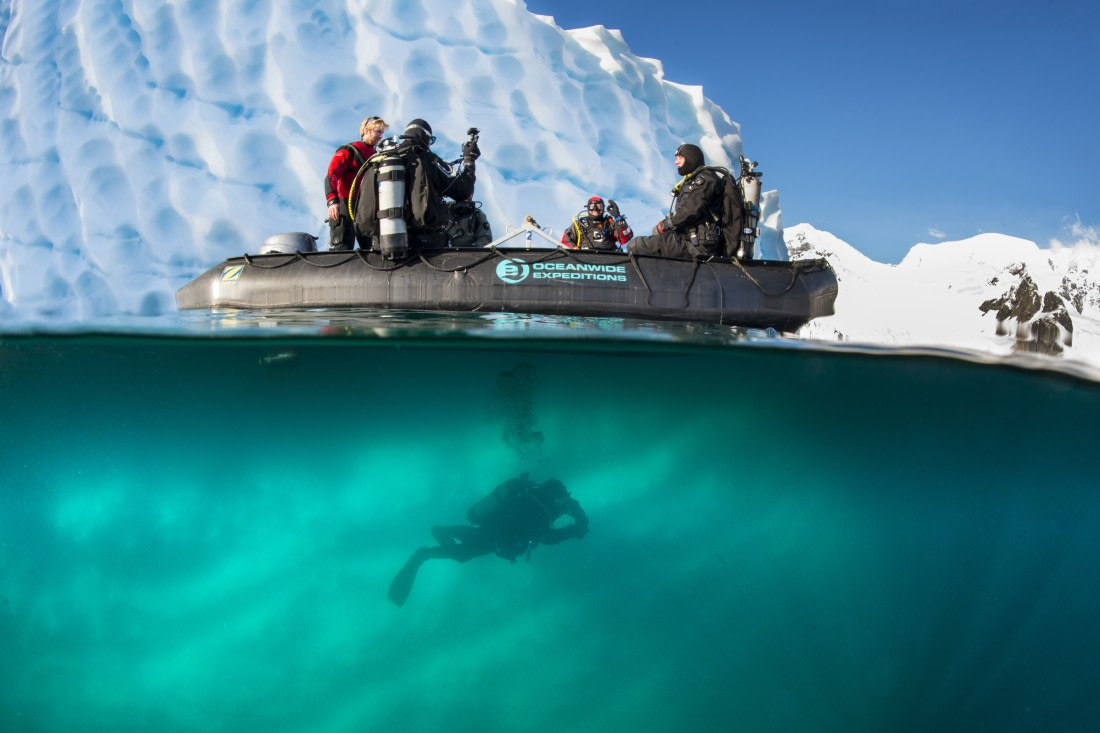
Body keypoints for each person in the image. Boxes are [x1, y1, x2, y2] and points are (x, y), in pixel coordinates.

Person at [387, 475, 588, 607]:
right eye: (562, 498)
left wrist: (573, 519)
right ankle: (424, 554)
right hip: (497, 541)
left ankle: (442, 532)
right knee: (463, 554)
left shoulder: (530, 496)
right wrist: (574, 529)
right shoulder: (542, 511)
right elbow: (547, 537)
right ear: (557, 497)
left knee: (472, 540)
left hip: (491, 530)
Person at [627, 143, 724, 259]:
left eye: (680, 158)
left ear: (690, 158)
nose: (676, 162)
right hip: (690, 240)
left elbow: (689, 210)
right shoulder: (697, 180)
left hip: (698, 245)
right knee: (655, 241)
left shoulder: (704, 180)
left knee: (636, 245)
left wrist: (665, 224)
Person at [324, 116, 389, 251]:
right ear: (366, 130)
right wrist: (332, 201)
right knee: (342, 247)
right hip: (346, 204)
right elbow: (331, 175)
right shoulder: (348, 150)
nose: (380, 136)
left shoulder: (376, 155)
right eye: (378, 132)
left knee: (371, 250)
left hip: (367, 208)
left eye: (382, 133)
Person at [561, 196, 633, 251]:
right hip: (584, 259)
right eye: (592, 206)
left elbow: (624, 239)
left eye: (599, 206)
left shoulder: (611, 223)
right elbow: (565, 240)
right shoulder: (579, 224)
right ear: (588, 208)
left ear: (603, 208)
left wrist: (619, 218)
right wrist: (574, 248)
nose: (595, 209)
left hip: (610, 259)